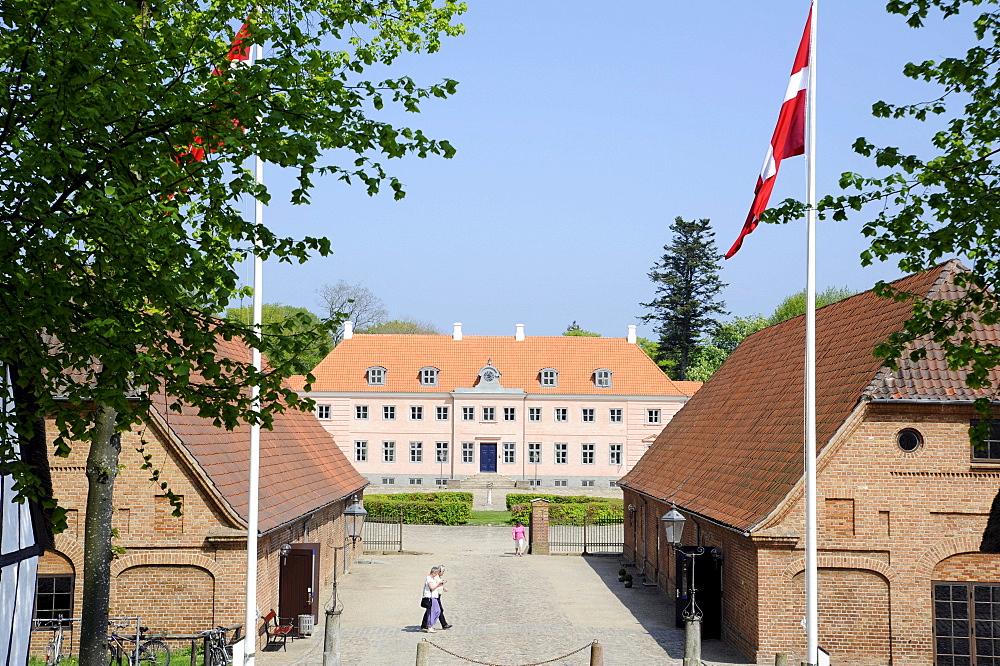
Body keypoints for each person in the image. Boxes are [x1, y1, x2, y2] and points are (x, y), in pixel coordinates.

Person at [420, 566, 443, 632]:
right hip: (430, 598)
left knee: (438, 611)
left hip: (434, 597)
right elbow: (431, 588)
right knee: (432, 612)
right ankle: (429, 626)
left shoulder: (432, 579)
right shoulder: (429, 578)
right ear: (434, 573)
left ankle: (430, 624)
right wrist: (438, 585)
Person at [435, 565, 452, 629]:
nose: (443, 573)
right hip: (435, 596)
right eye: (443, 571)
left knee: (430, 610)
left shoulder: (438, 577)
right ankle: (444, 624)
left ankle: (424, 624)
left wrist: (443, 588)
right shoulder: (435, 577)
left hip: (438, 595)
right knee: (439, 610)